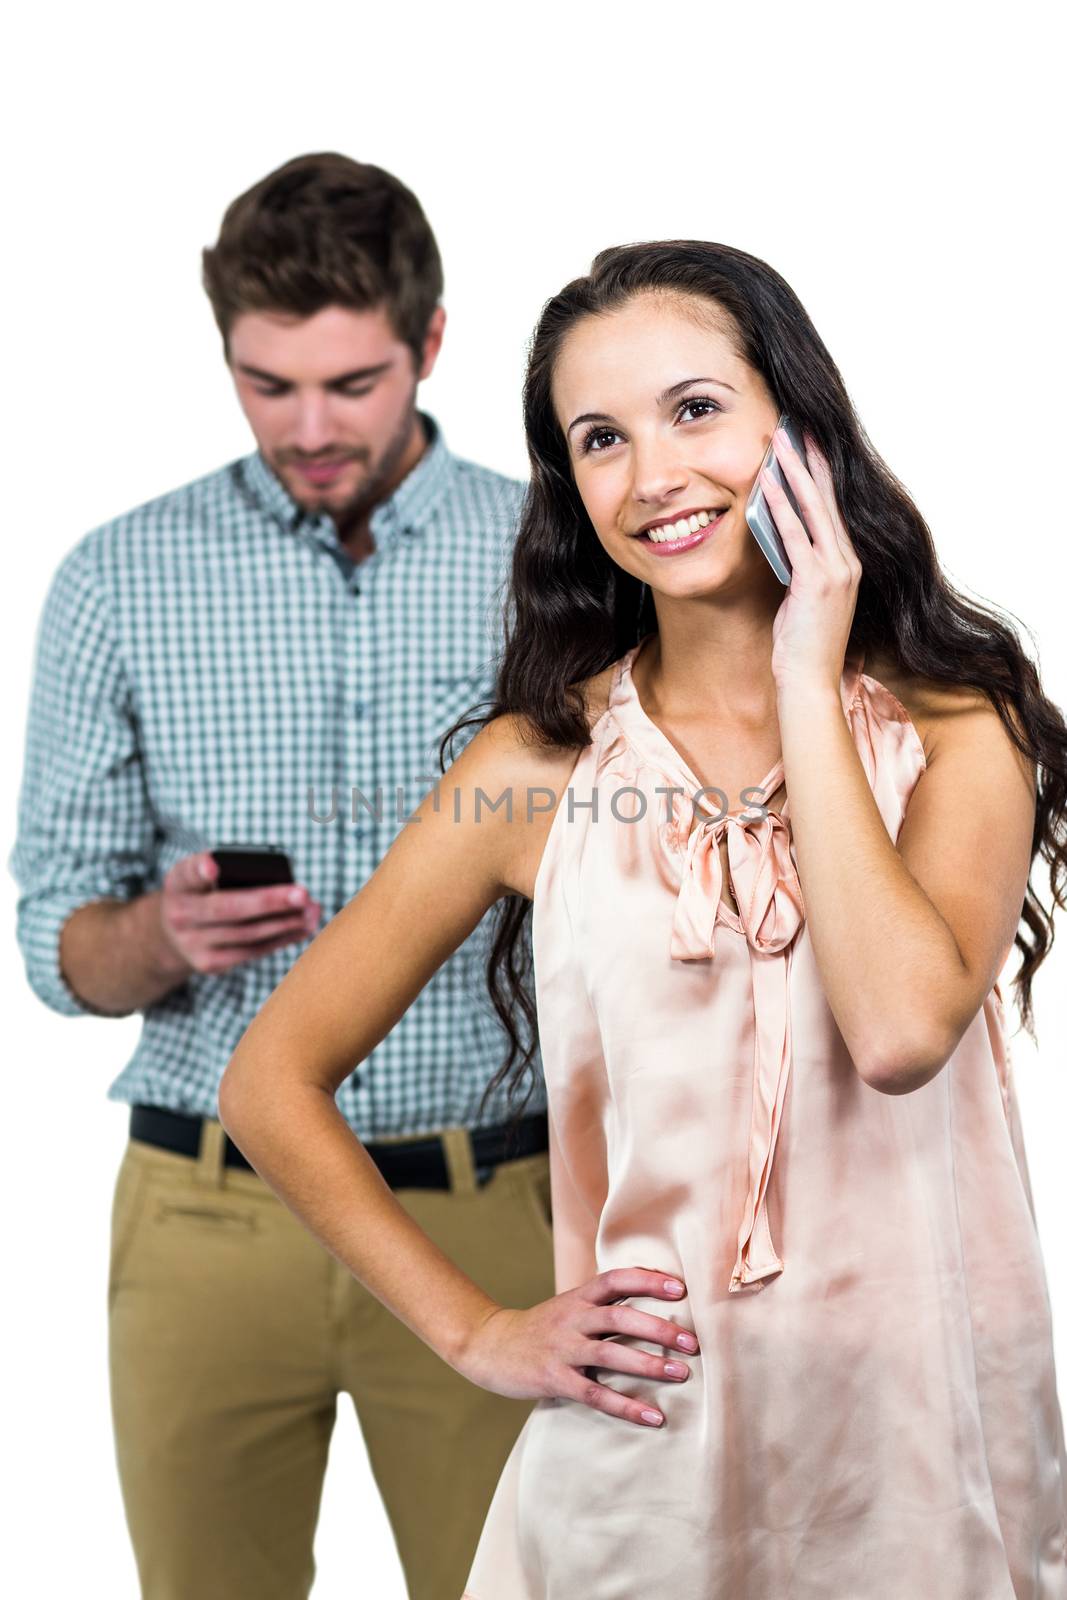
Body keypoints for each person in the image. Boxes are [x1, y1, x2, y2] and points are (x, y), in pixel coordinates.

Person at [217, 239, 1067, 1598]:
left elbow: (902, 1028)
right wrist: (480, 1331)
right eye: (599, 437)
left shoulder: (962, 728)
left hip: (922, 1457)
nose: (653, 476)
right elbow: (271, 1079)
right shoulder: (532, 772)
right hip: (642, 1471)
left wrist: (808, 670)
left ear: (797, 428)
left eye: (695, 410)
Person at [9, 152, 556, 1600]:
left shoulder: (555, 559)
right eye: (267, 385)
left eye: (353, 383)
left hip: (493, 1205)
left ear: (430, 344)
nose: (308, 428)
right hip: (211, 1219)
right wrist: (157, 933)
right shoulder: (116, 577)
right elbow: (51, 943)